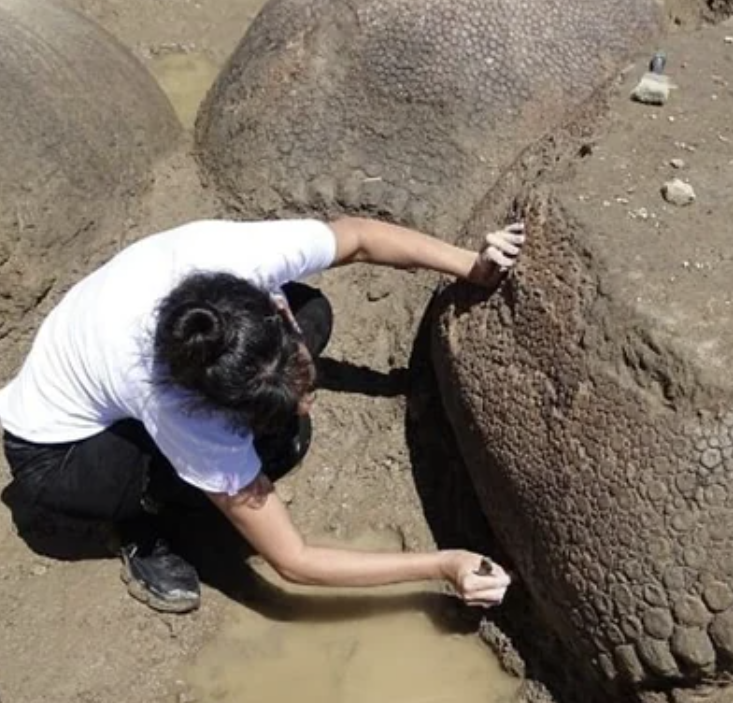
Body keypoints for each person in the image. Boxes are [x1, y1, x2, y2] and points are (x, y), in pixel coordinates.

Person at [0, 215, 525, 614]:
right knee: (209, 474)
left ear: (274, 308)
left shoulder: (240, 256)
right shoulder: (177, 408)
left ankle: (248, 428)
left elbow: (360, 238)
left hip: (129, 351)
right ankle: (139, 530)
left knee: (316, 310)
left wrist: (472, 265)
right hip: (58, 453)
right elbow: (293, 560)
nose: (307, 403)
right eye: (291, 397)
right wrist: (443, 565)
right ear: (212, 406)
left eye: (301, 383)